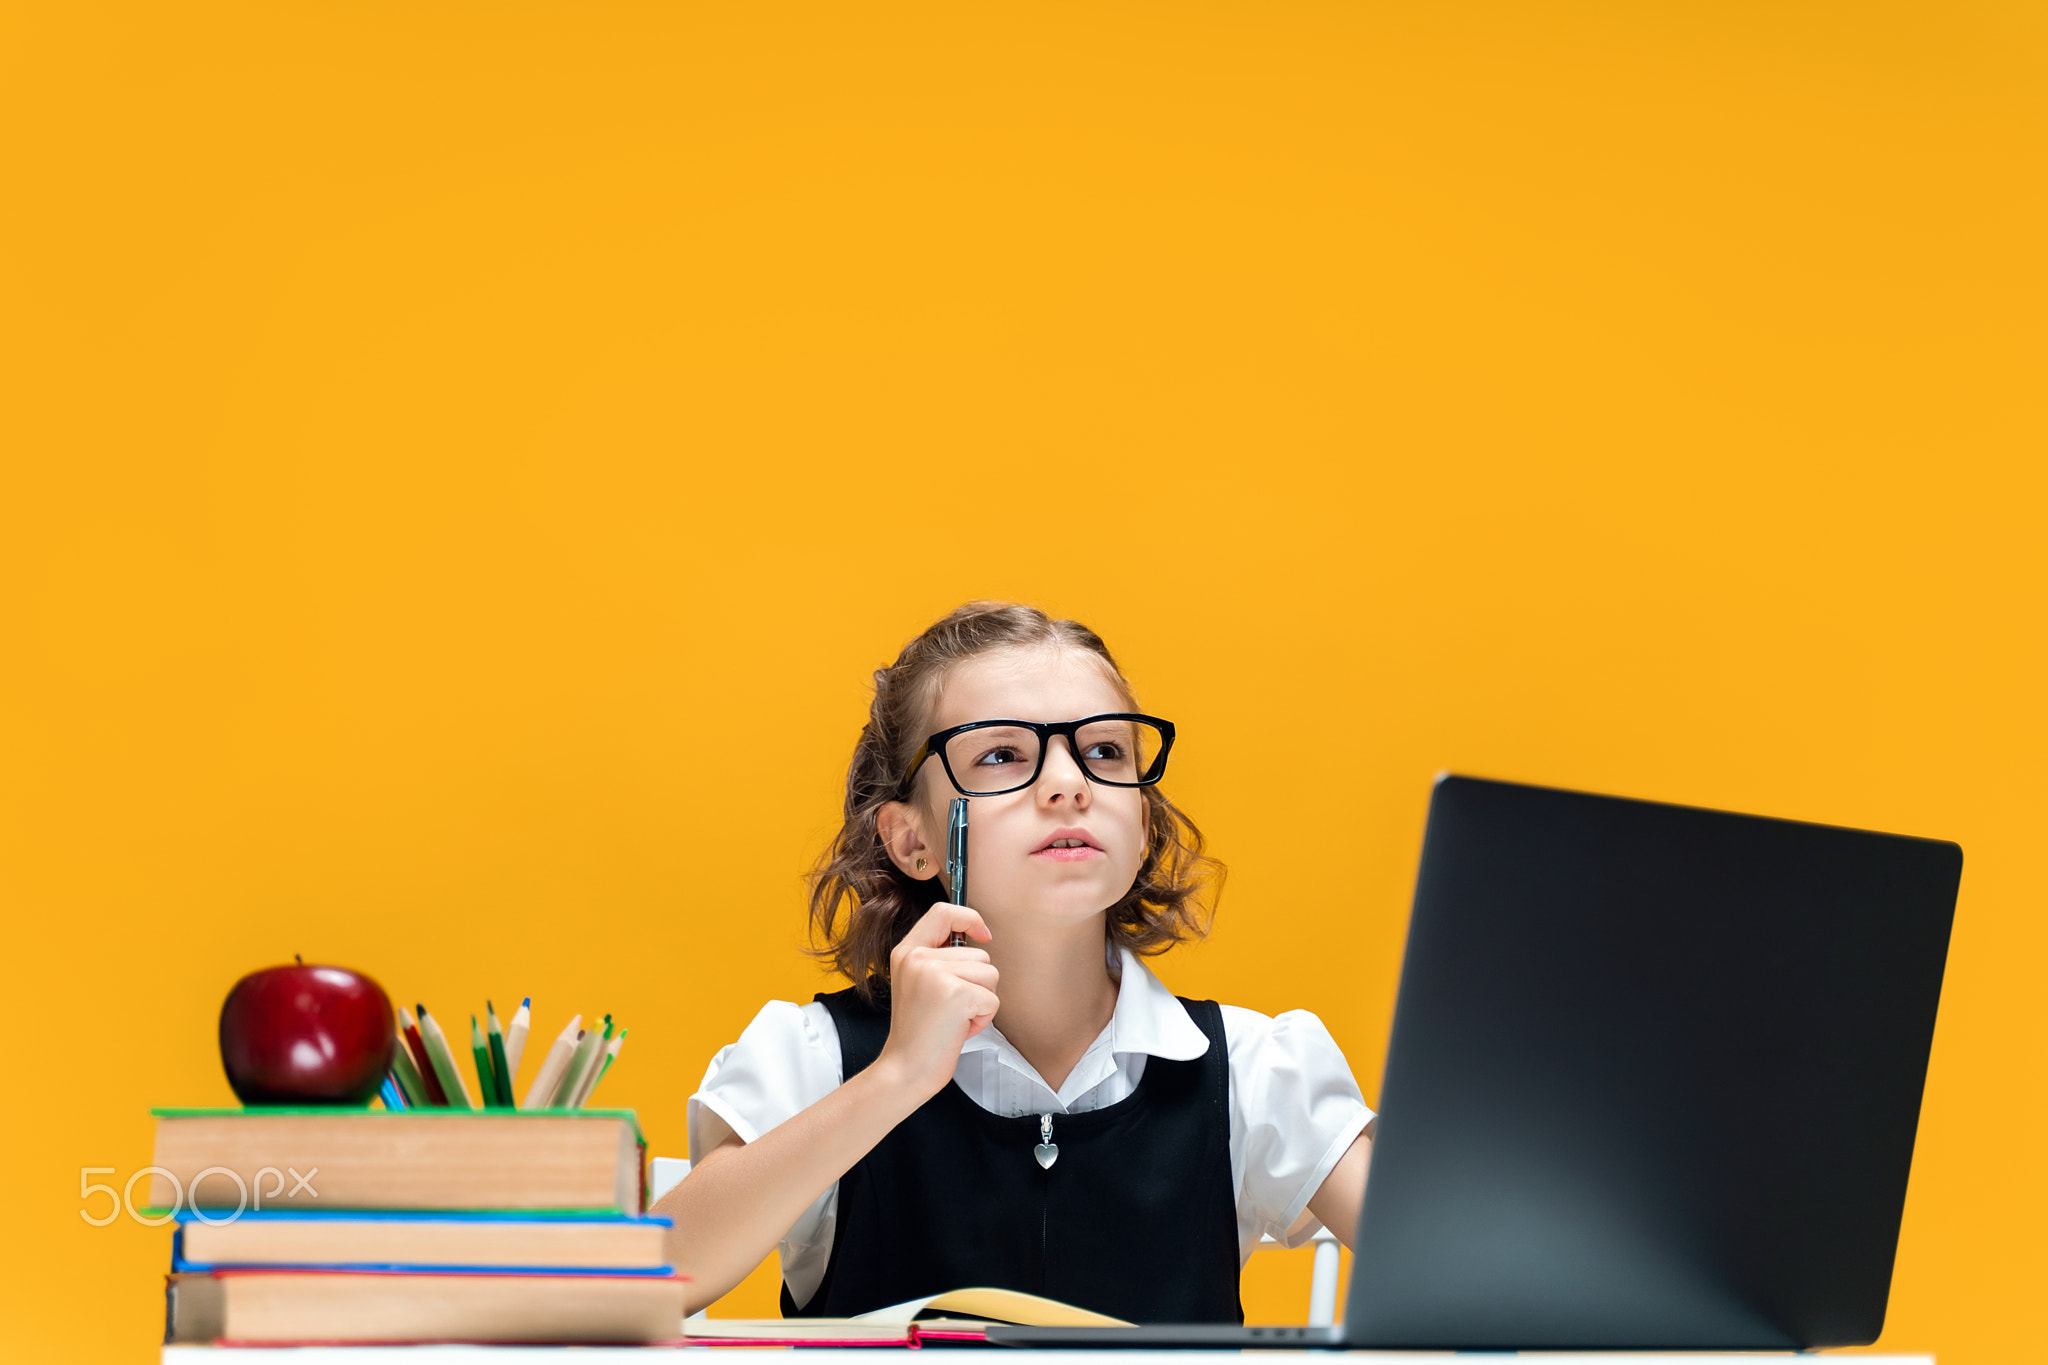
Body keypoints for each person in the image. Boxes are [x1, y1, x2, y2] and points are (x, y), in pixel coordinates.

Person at [660, 602, 1374, 1321]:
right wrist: (896, 1076)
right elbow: (657, 1278)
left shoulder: (1251, 1070)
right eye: (1001, 755)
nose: (1070, 784)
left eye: (1105, 751)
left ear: (1142, 820)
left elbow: (1435, 1269)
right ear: (913, 840)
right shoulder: (815, 1059)